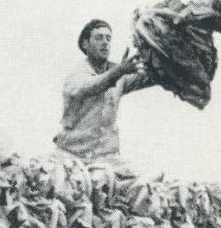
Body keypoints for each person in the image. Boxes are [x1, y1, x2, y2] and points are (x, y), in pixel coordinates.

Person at [54, 19, 152, 163]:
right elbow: (91, 86)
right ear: (85, 44)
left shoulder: (117, 73)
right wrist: (118, 71)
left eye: (108, 38)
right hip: (73, 157)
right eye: (99, 38)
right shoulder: (76, 76)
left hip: (107, 157)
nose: (105, 42)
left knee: (141, 183)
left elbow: (146, 78)